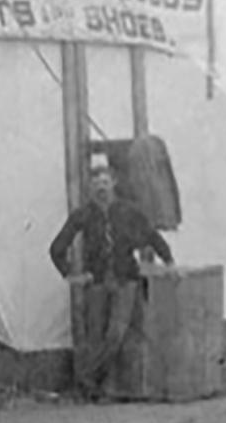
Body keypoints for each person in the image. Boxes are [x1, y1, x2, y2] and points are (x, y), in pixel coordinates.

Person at [48, 165, 174, 401]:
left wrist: (169, 261)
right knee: (95, 337)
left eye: (105, 183)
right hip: (96, 283)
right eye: (96, 184)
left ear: (114, 184)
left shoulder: (129, 212)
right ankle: (95, 388)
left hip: (125, 280)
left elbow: (151, 235)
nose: (101, 188)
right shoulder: (82, 215)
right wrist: (71, 274)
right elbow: (56, 248)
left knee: (116, 334)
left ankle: (85, 381)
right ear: (90, 188)